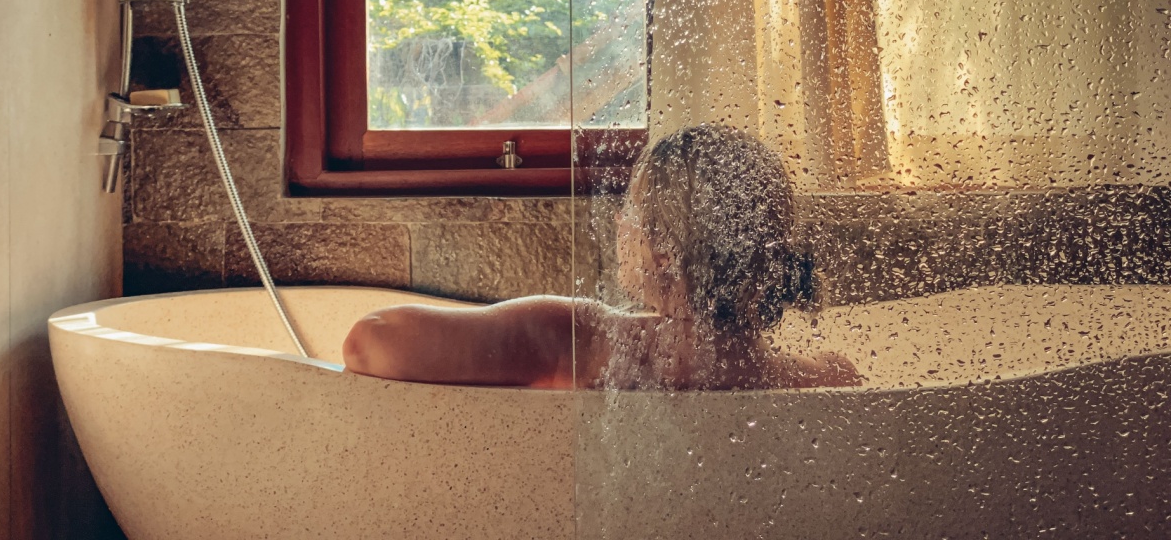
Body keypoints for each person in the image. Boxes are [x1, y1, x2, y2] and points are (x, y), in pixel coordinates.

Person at [342, 124, 861, 390]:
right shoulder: (821, 375)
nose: (618, 221)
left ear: (663, 253)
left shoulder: (592, 343)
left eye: (631, 209)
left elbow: (369, 343)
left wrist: (552, 327)